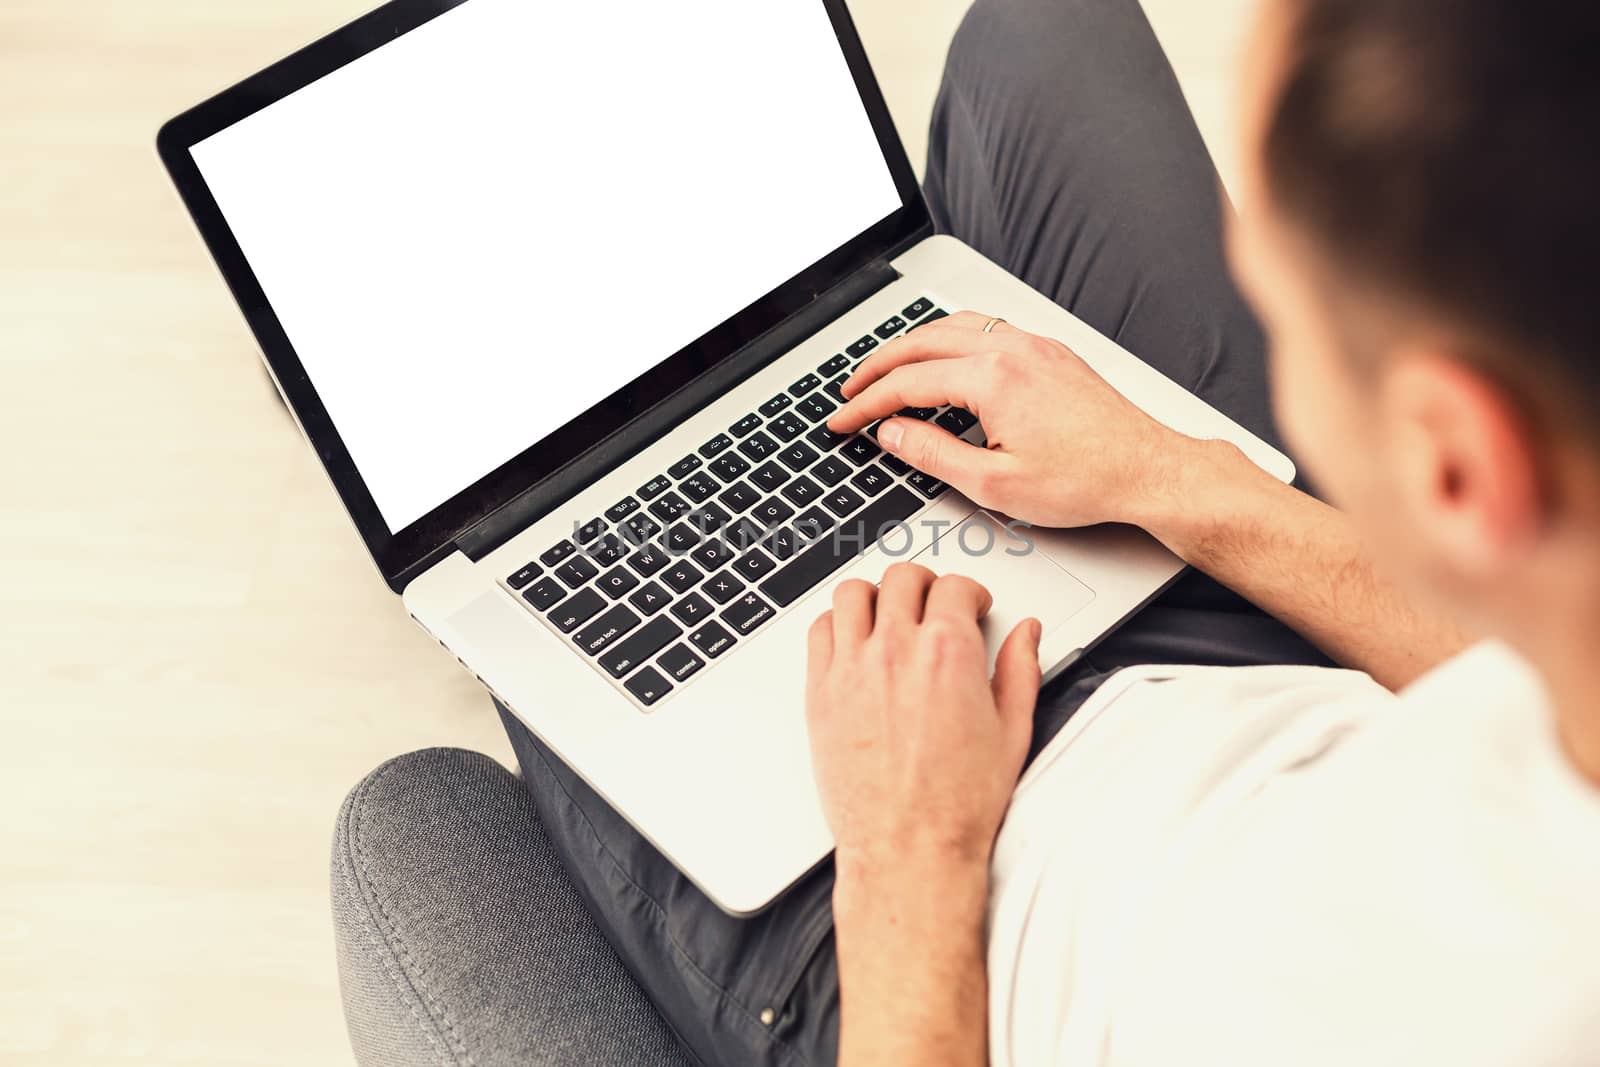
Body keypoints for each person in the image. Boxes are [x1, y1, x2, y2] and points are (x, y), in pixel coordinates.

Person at [360, 0, 1600, 1062]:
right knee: (1043, 25)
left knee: (470, 673)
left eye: (1279, 276)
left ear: (1455, 462)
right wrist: (1167, 472)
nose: (1256, 288)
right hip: (1258, 677)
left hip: (914, 932)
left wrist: (914, 845)